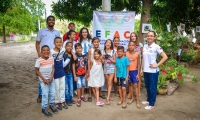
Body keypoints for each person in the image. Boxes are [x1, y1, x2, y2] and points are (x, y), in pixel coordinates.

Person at [35, 15, 60, 103]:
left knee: (51, 73)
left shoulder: (57, 32)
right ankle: (41, 94)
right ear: (47, 21)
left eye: (53, 20)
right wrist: (39, 53)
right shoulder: (41, 31)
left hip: (53, 56)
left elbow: (59, 43)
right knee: (41, 75)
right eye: (49, 20)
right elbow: (37, 43)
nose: (51, 21)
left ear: (54, 22)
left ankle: (51, 93)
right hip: (43, 55)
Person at [141, 31, 168, 110]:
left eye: (151, 36)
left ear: (154, 37)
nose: (149, 37)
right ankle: (149, 100)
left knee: (152, 87)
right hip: (146, 70)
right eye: (148, 36)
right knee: (147, 86)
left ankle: (152, 104)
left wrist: (157, 64)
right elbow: (143, 59)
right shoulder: (145, 46)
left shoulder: (156, 47)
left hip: (153, 71)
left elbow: (165, 57)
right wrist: (142, 69)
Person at [35, 45, 58, 117]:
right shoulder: (39, 60)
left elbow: (53, 68)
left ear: (49, 51)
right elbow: (37, 71)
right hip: (43, 80)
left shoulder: (51, 58)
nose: (46, 52)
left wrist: (51, 77)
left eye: (47, 50)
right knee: (45, 94)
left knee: (52, 93)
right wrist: (43, 79)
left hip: (51, 79)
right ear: (41, 52)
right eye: (44, 50)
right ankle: (44, 109)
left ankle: (51, 105)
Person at [51, 37, 68, 110]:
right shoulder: (51, 52)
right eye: (57, 42)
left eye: (60, 42)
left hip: (61, 71)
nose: (59, 43)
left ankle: (62, 101)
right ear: (54, 43)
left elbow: (69, 50)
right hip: (55, 72)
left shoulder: (63, 49)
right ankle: (56, 102)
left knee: (62, 87)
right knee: (56, 88)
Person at [87, 37, 105, 102]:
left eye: (97, 42)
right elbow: (89, 60)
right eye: (95, 42)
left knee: (98, 81)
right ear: (92, 43)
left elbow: (102, 59)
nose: (96, 43)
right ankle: (90, 94)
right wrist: (88, 70)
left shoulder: (100, 50)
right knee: (91, 81)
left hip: (98, 67)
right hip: (92, 66)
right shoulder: (90, 50)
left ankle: (99, 93)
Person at [126, 41, 141, 109]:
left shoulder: (137, 54)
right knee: (130, 85)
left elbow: (138, 64)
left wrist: (138, 73)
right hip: (129, 71)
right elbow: (126, 64)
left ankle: (137, 100)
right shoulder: (126, 54)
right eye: (130, 45)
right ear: (128, 46)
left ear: (135, 46)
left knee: (135, 85)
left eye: (132, 45)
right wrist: (127, 74)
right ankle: (132, 98)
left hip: (135, 71)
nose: (131, 46)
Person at [128, 32, 143, 99]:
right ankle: (131, 93)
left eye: (134, 36)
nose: (133, 37)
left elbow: (142, 56)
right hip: (131, 65)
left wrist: (141, 68)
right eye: (132, 36)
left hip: (138, 64)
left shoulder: (140, 45)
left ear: (136, 37)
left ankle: (138, 92)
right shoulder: (129, 45)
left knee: (137, 79)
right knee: (130, 80)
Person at [73, 43, 87, 107]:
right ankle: (78, 99)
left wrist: (86, 73)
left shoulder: (84, 56)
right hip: (77, 74)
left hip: (83, 74)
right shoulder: (75, 57)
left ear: (82, 48)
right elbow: (73, 66)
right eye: (77, 48)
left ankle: (82, 96)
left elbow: (85, 65)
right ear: (75, 49)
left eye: (80, 48)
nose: (78, 49)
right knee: (79, 86)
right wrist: (75, 76)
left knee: (83, 85)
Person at [102, 39, 116, 105]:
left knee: (110, 82)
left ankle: (107, 98)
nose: (108, 44)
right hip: (105, 68)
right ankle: (109, 95)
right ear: (105, 44)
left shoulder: (113, 51)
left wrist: (109, 58)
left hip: (112, 68)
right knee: (108, 82)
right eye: (107, 42)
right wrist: (103, 58)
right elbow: (102, 61)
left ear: (111, 44)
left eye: (109, 43)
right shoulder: (102, 51)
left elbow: (115, 61)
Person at [63, 42, 77, 106]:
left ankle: (71, 98)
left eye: (71, 46)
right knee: (66, 87)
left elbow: (73, 65)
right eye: (68, 46)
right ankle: (67, 99)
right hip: (64, 73)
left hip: (70, 73)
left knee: (71, 87)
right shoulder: (63, 55)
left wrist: (74, 75)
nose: (70, 47)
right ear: (65, 47)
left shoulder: (72, 55)